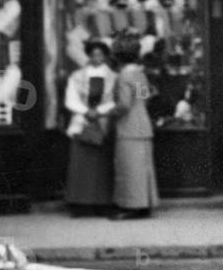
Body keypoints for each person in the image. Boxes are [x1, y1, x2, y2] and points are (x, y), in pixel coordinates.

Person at [64, 40, 116, 216]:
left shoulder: (114, 77)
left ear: (105, 56)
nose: (96, 58)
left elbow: (115, 101)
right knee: (81, 167)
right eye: (93, 54)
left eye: (100, 54)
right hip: (82, 123)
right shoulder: (77, 76)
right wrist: (86, 112)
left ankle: (101, 204)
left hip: (102, 124)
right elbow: (70, 100)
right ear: (88, 55)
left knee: (101, 168)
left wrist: (99, 111)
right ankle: (79, 204)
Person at [111, 33, 159, 220]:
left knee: (129, 169)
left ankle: (132, 206)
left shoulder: (124, 76)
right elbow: (144, 98)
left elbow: (124, 104)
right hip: (143, 124)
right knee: (143, 168)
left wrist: (108, 111)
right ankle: (145, 204)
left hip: (129, 127)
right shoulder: (140, 74)